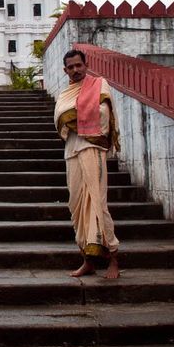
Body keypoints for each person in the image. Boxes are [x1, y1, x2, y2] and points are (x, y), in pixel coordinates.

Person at [53, 49, 121, 279]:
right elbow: (60, 117)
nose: (75, 70)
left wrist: (74, 117)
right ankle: (87, 260)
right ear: (65, 70)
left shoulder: (99, 85)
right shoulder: (66, 92)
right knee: (76, 206)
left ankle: (113, 259)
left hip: (92, 149)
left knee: (98, 205)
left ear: (86, 64)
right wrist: (76, 115)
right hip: (72, 150)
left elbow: (103, 114)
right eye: (70, 67)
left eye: (78, 65)